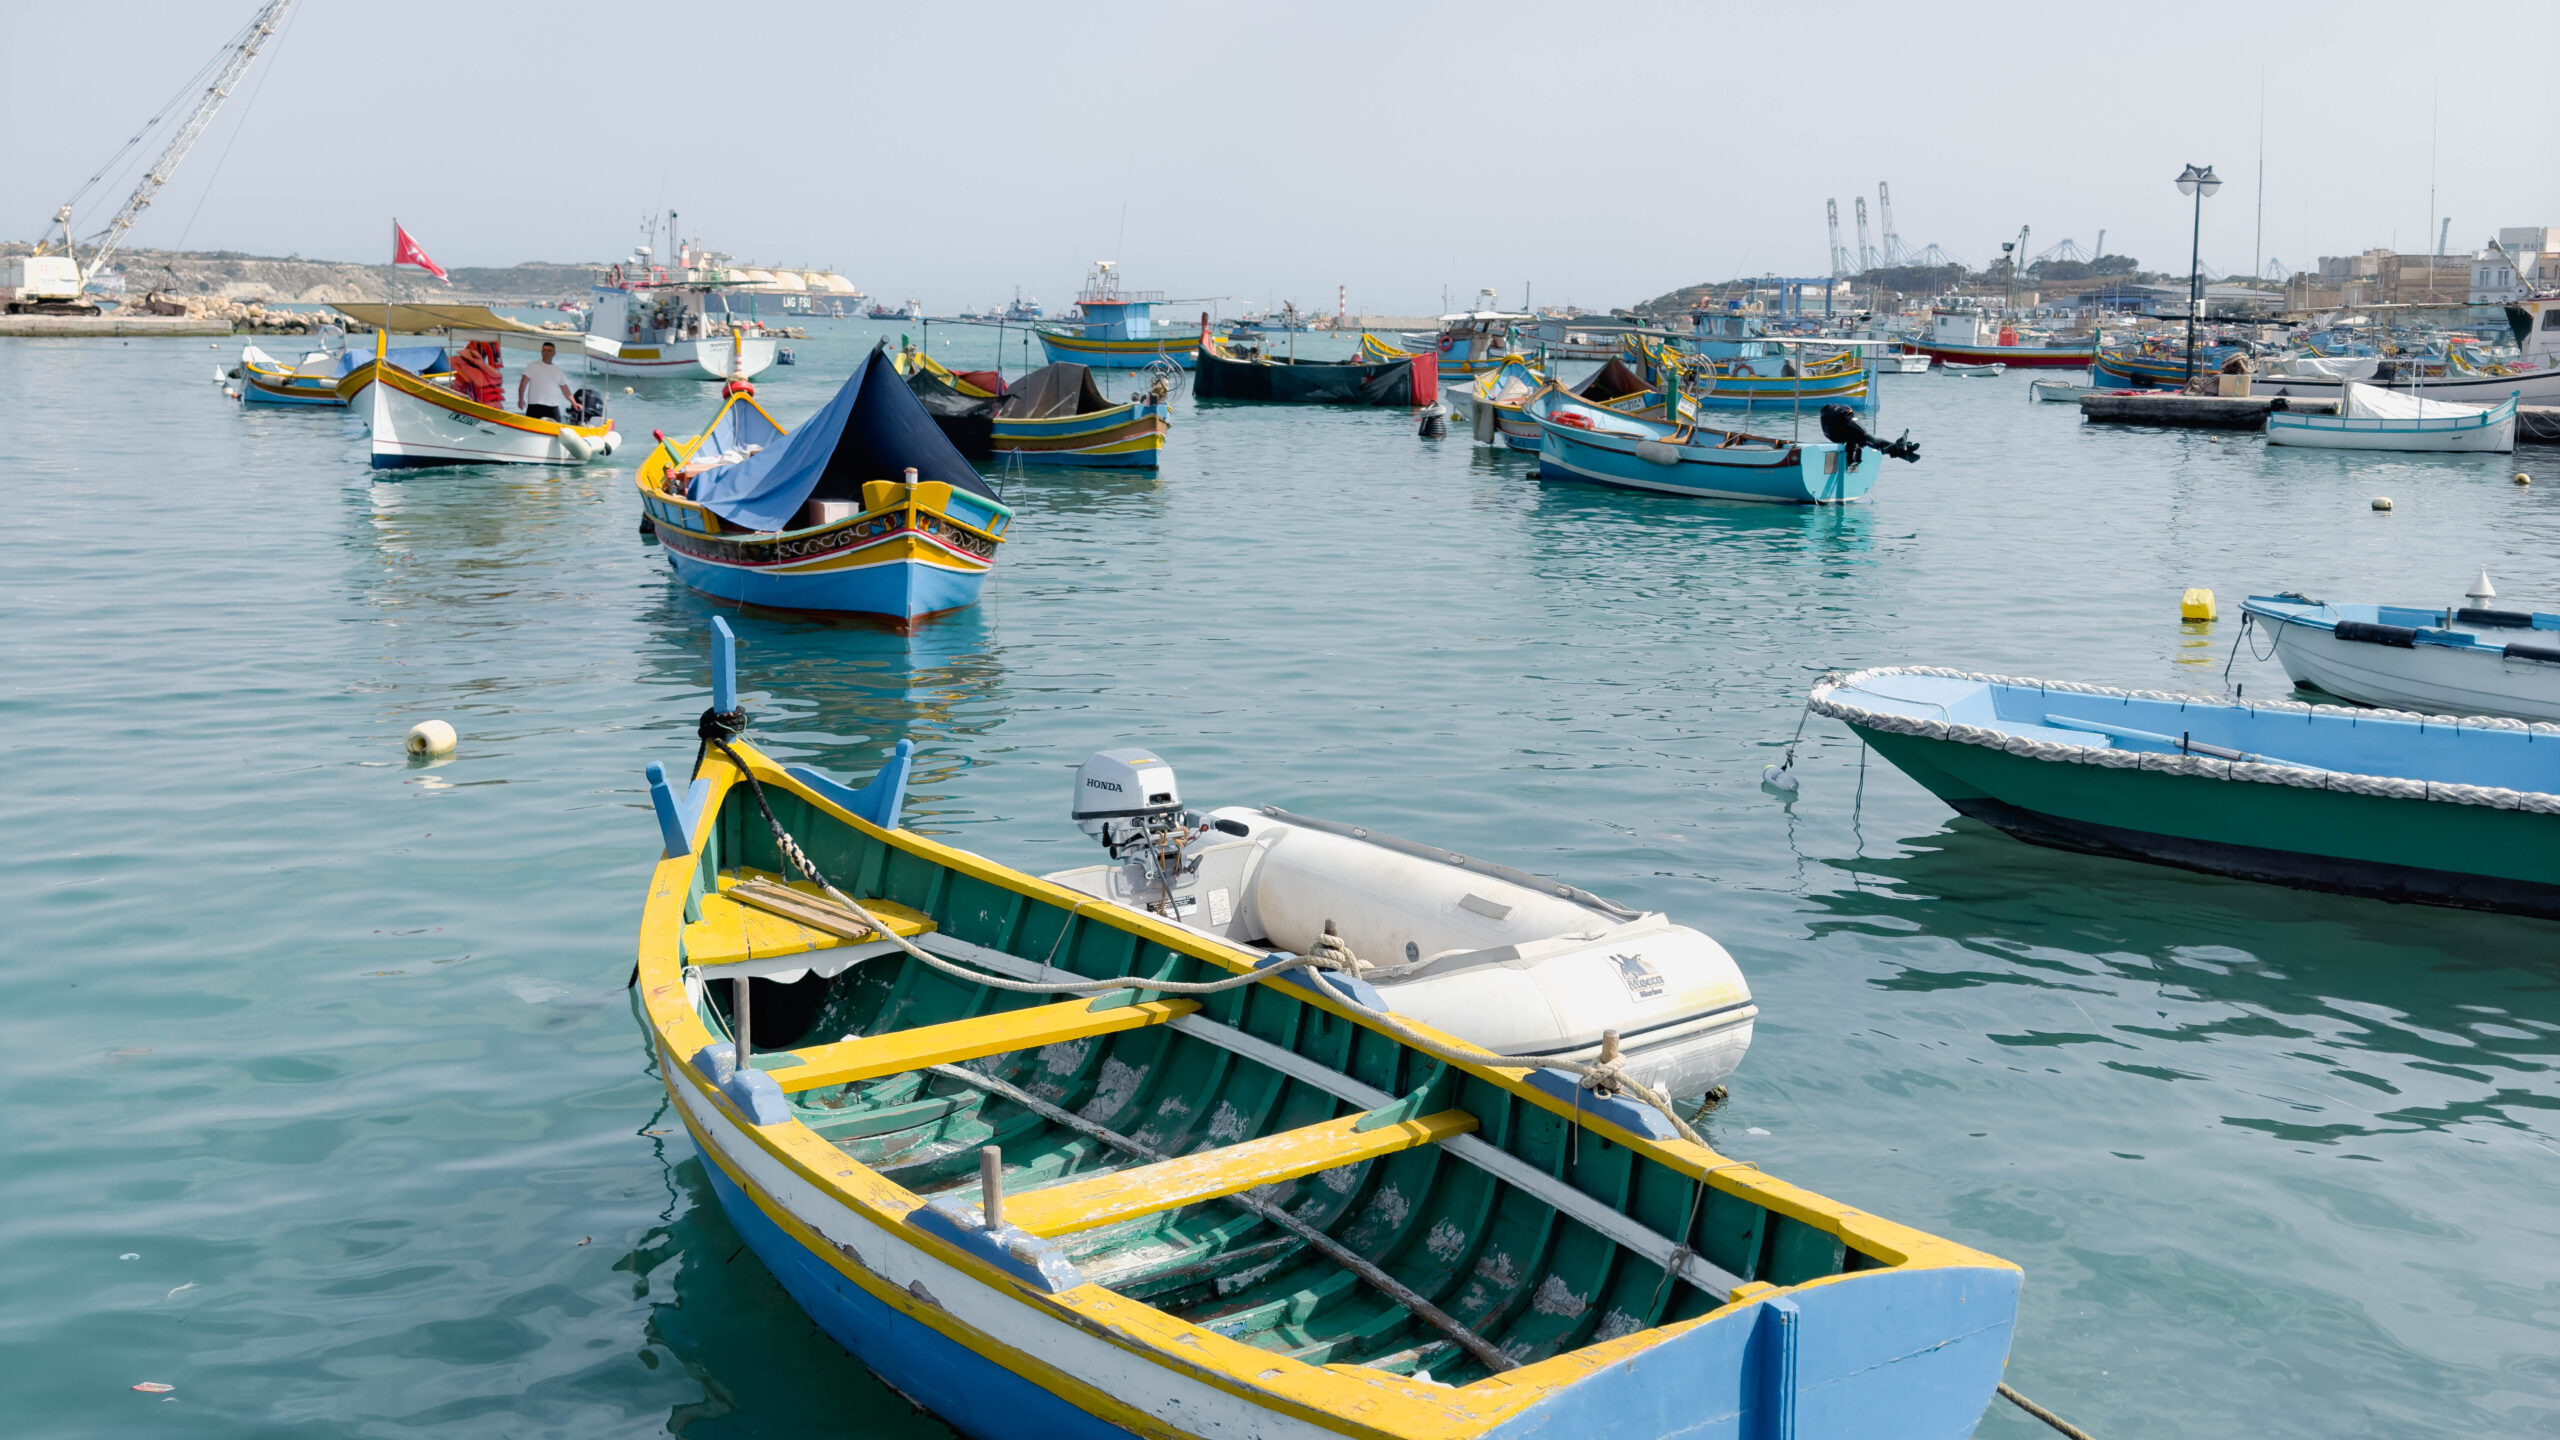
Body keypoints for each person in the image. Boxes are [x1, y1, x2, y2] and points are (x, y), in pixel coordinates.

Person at [518, 341, 574, 420]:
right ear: (541, 352)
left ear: (554, 353)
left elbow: (565, 389)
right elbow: (523, 384)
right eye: (544, 350)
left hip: (552, 407)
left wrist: (574, 403)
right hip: (535, 406)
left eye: (549, 350)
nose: (546, 352)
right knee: (531, 431)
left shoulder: (558, 370)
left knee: (557, 430)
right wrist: (520, 399)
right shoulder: (532, 366)